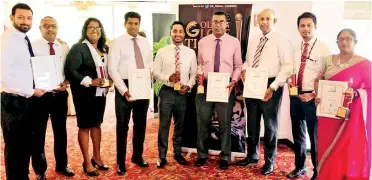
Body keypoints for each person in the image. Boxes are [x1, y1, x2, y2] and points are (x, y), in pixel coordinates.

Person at [236, 8, 293, 175]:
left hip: (271, 85)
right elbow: (247, 60)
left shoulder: (282, 40)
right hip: (253, 83)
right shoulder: (254, 39)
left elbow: (287, 66)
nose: (264, 22)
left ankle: (269, 162)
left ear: (274, 21)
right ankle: (252, 155)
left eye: (268, 19)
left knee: (270, 127)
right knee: (252, 124)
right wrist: (245, 70)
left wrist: (273, 87)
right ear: (257, 20)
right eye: (262, 19)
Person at [314, 28, 371, 180]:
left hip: (350, 116)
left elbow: (369, 89)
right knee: (327, 145)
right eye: (341, 39)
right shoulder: (328, 60)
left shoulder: (364, 64)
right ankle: (327, 175)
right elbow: (318, 80)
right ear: (337, 42)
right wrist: (318, 96)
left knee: (347, 148)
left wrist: (356, 93)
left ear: (355, 42)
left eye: (348, 39)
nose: (344, 42)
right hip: (328, 114)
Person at [1, 3, 46, 180]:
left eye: (28, 18)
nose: (25, 21)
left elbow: (25, 69)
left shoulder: (22, 38)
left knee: (24, 145)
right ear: (12, 18)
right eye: (20, 17)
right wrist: (31, 91)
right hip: (13, 101)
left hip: (25, 100)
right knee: (15, 149)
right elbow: (5, 76)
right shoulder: (7, 40)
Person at [195, 11, 242, 170]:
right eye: (215, 22)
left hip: (225, 86)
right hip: (206, 85)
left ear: (226, 24)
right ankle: (202, 155)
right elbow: (199, 64)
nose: (218, 24)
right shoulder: (202, 42)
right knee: (203, 122)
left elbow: (238, 66)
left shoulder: (234, 42)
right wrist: (199, 75)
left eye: (221, 22)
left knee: (225, 123)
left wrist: (234, 81)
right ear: (211, 23)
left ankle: (225, 156)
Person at [65, 17, 112, 177]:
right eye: (91, 28)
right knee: (85, 126)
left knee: (97, 125)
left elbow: (107, 70)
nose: (95, 30)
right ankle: (86, 162)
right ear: (85, 30)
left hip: (100, 94)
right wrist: (91, 82)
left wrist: (109, 81)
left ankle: (96, 157)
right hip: (84, 94)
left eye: (98, 28)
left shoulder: (104, 48)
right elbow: (71, 70)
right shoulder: (79, 48)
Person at [108, 11, 153, 175]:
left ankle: (137, 156)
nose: (133, 26)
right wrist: (124, 89)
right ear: (125, 24)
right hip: (124, 86)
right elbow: (112, 69)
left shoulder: (145, 41)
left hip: (142, 84)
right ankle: (120, 162)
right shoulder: (117, 43)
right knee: (122, 127)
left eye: (136, 23)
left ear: (139, 25)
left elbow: (149, 62)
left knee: (141, 125)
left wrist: (150, 72)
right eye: (130, 23)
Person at [286, 12, 330, 180]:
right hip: (295, 96)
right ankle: (300, 166)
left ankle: (318, 171)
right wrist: (290, 82)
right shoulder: (295, 47)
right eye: (302, 26)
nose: (305, 29)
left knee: (315, 136)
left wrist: (313, 94)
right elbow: (291, 69)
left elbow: (327, 75)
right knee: (298, 134)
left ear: (315, 26)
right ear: (298, 28)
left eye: (309, 25)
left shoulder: (323, 48)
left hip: (313, 98)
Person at [31, 16, 75, 178]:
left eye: (53, 26)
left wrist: (67, 82)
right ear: (40, 28)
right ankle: (40, 171)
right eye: (46, 26)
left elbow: (70, 69)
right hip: (39, 97)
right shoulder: (32, 46)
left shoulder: (64, 46)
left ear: (57, 28)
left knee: (61, 133)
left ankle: (62, 165)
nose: (50, 29)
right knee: (38, 134)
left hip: (60, 96)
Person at [153, 21, 197, 168]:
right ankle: (162, 156)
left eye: (180, 31)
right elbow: (155, 72)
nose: (177, 34)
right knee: (164, 125)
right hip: (166, 92)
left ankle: (177, 153)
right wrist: (168, 78)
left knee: (180, 125)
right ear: (170, 33)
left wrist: (189, 86)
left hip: (182, 93)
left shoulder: (190, 53)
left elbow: (194, 74)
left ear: (184, 34)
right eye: (175, 31)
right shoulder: (162, 52)